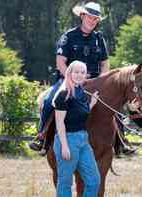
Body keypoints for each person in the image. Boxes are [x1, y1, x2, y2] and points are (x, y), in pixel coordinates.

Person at [29, 1, 109, 152]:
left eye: (95, 19)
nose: (93, 21)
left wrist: (102, 81)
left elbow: (105, 63)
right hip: (69, 81)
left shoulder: (99, 38)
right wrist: (72, 80)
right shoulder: (69, 36)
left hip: (94, 81)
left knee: (111, 102)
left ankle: (121, 142)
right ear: (82, 16)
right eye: (90, 17)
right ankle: (41, 136)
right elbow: (60, 63)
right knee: (48, 101)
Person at [53, 60, 100, 197]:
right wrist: (65, 146)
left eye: (83, 72)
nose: (79, 75)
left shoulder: (82, 93)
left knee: (94, 181)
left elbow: (80, 113)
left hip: (83, 140)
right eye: (76, 72)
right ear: (70, 73)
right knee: (65, 182)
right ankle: (41, 137)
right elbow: (60, 123)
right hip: (68, 139)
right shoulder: (63, 94)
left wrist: (91, 103)